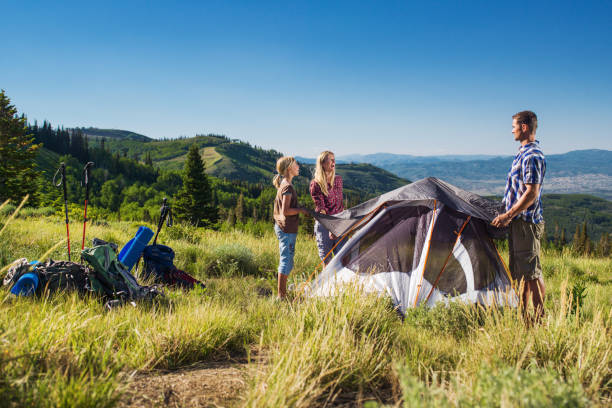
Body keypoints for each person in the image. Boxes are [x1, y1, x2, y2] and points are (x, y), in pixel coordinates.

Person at [491, 110, 546, 321]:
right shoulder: (523, 153)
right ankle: (524, 318)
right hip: (518, 223)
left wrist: (508, 214)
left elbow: (531, 193)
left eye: (514, 126)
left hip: (525, 223)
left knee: (531, 274)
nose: (511, 130)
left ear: (524, 127)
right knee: (521, 273)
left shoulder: (532, 156)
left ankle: (539, 321)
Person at [273, 156, 310, 299]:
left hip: (283, 228)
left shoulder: (284, 183)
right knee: (286, 261)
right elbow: (286, 211)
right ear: (289, 168)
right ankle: (281, 296)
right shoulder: (287, 186)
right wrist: (301, 210)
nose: (298, 167)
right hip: (286, 229)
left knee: (287, 259)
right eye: (296, 165)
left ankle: (282, 294)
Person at [310, 150, 344, 264]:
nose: (334, 162)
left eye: (334, 159)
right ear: (323, 163)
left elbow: (340, 205)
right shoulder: (316, 184)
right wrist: (331, 228)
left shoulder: (338, 180)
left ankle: (341, 282)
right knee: (327, 261)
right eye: (331, 160)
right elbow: (321, 209)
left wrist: (340, 224)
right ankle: (327, 282)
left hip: (338, 223)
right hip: (324, 226)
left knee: (344, 258)